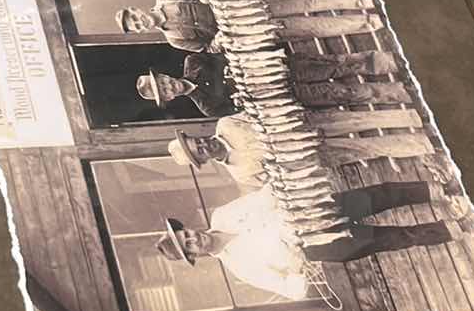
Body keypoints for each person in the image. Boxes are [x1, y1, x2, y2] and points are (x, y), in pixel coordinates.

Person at [155, 182, 458, 300]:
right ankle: (454, 227)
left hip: (308, 210)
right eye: (189, 246)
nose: (194, 238)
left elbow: (264, 196)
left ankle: (439, 189)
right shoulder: (239, 268)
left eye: (187, 234)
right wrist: (298, 265)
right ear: (194, 256)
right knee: (396, 238)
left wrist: (281, 188)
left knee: (379, 196)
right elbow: (291, 290)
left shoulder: (223, 215)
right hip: (319, 246)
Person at [166, 115, 455, 192]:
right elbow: (276, 179)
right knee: (366, 149)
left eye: (198, 142)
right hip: (311, 154)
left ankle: (417, 121)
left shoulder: (226, 123)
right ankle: (426, 145)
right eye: (199, 153)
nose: (203, 146)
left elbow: (261, 114)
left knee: (358, 123)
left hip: (302, 124)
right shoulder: (239, 173)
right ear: (202, 162)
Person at [117, 0, 387, 51]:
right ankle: (369, 23)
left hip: (242, 3)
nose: (142, 23)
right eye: (137, 27)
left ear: (136, 9)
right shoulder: (175, 39)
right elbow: (209, 48)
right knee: (311, 28)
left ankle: (361, 1)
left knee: (307, 2)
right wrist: (218, 41)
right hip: (247, 28)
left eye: (136, 18)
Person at [135, 54, 232, 118]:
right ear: (169, 98)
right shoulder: (208, 107)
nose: (169, 86)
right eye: (165, 91)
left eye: (163, 82)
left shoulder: (193, 61)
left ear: (164, 75)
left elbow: (227, 53)